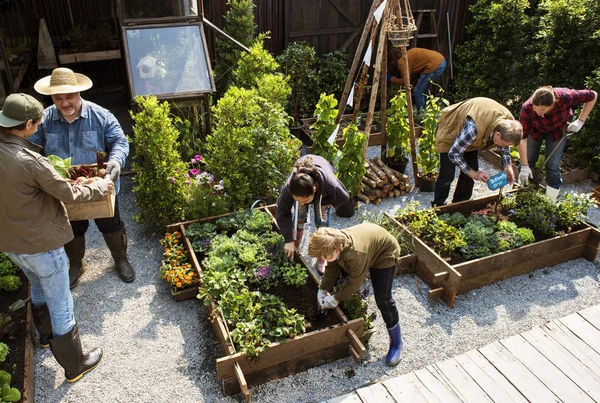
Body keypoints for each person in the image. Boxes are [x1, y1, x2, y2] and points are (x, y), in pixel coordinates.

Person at [0, 93, 111, 382]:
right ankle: (76, 364)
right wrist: (101, 187)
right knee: (61, 301)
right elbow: (69, 192)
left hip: (12, 244)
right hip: (42, 245)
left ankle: (46, 337)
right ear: (26, 124)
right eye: (36, 123)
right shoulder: (29, 161)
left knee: (37, 286)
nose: (39, 126)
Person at [30, 67, 135, 287]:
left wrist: (115, 162)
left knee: (111, 224)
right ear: (51, 97)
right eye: (58, 98)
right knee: (72, 228)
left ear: (79, 93)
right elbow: (31, 147)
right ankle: (76, 264)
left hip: (98, 184)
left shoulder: (100, 115)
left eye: (69, 96)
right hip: (64, 186)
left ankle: (120, 258)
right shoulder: (45, 119)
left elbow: (120, 142)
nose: (64, 103)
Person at [309, 224, 403, 366]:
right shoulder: (335, 245)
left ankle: (397, 343)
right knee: (339, 271)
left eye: (323, 255)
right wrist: (322, 290)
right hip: (369, 246)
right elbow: (331, 269)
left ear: (336, 250)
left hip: (385, 253)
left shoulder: (355, 254)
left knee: (383, 299)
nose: (322, 258)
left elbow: (354, 284)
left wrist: (335, 299)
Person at [433, 97, 523, 206]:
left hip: (470, 138)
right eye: (503, 144)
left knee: (471, 170)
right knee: (447, 175)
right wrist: (474, 174)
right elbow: (454, 154)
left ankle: (460, 203)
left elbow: (505, 145)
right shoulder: (473, 129)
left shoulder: (508, 124)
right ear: (498, 134)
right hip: (451, 130)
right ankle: (438, 206)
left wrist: (507, 166)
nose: (503, 147)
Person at [517, 86, 597, 202]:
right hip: (534, 131)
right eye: (535, 109)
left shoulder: (566, 97)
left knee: (552, 164)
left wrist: (581, 120)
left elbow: (593, 95)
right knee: (528, 160)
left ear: (552, 104)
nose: (538, 113)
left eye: (542, 110)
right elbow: (522, 139)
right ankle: (522, 193)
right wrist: (524, 166)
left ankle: (550, 201)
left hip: (557, 130)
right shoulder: (527, 108)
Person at [276, 155, 350, 273]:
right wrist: (288, 239)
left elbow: (344, 197)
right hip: (306, 186)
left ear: (314, 189)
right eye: (297, 200)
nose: (302, 203)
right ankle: (294, 246)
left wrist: (327, 201)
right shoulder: (290, 187)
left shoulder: (330, 185)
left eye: (304, 201)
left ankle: (322, 256)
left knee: (322, 224)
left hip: (323, 193)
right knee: (299, 219)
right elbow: (282, 210)